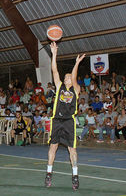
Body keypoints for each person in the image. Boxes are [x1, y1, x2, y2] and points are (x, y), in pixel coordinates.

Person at [45, 42, 85, 191]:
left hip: (69, 121)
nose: (67, 78)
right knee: (53, 147)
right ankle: (49, 173)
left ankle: (75, 176)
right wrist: (54, 54)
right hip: (56, 120)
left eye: (69, 77)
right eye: (66, 77)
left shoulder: (76, 89)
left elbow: (74, 76)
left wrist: (76, 64)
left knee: (72, 150)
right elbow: (54, 70)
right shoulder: (59, 85)